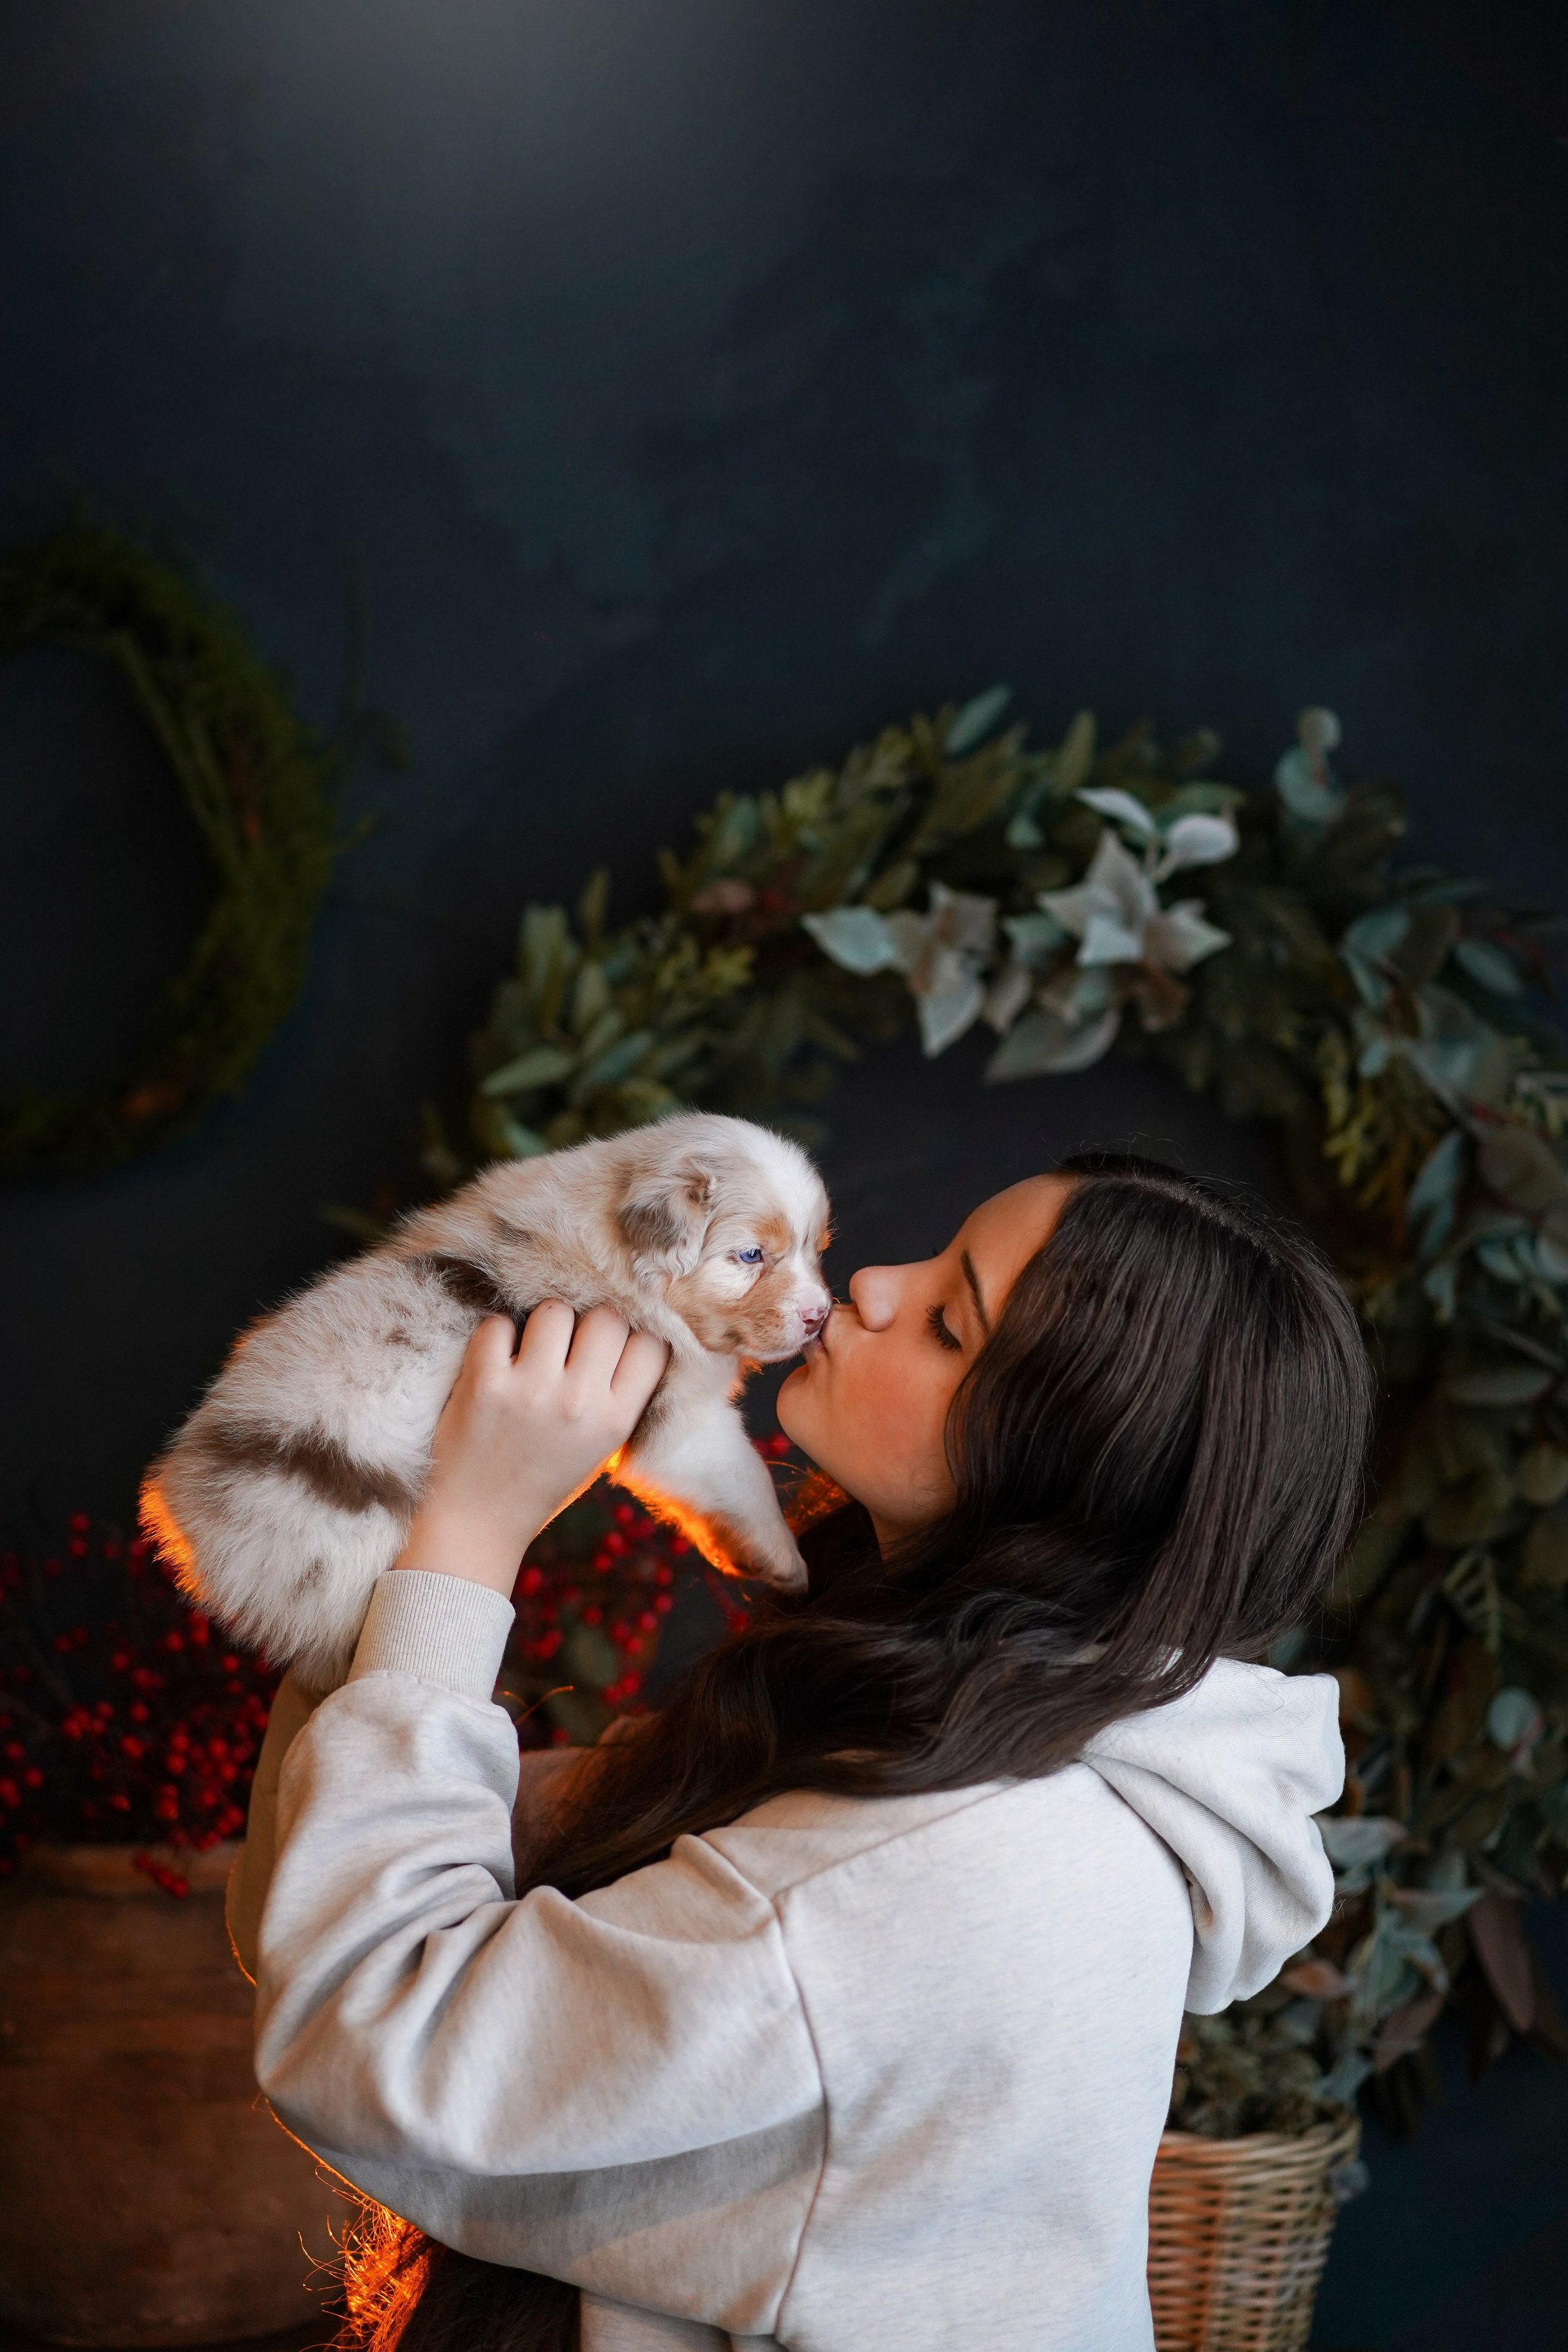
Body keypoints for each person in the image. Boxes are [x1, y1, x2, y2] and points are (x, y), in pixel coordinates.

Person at [228, 1153, 1374, 2352]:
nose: (872, 1285)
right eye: (935, 1256)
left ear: (1057, 1474)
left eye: (946, 1324)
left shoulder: (927, 1872)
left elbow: (366, 2037)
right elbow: (322, 1924)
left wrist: (466, 1534)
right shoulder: (955, 1754)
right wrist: (406, 1543)